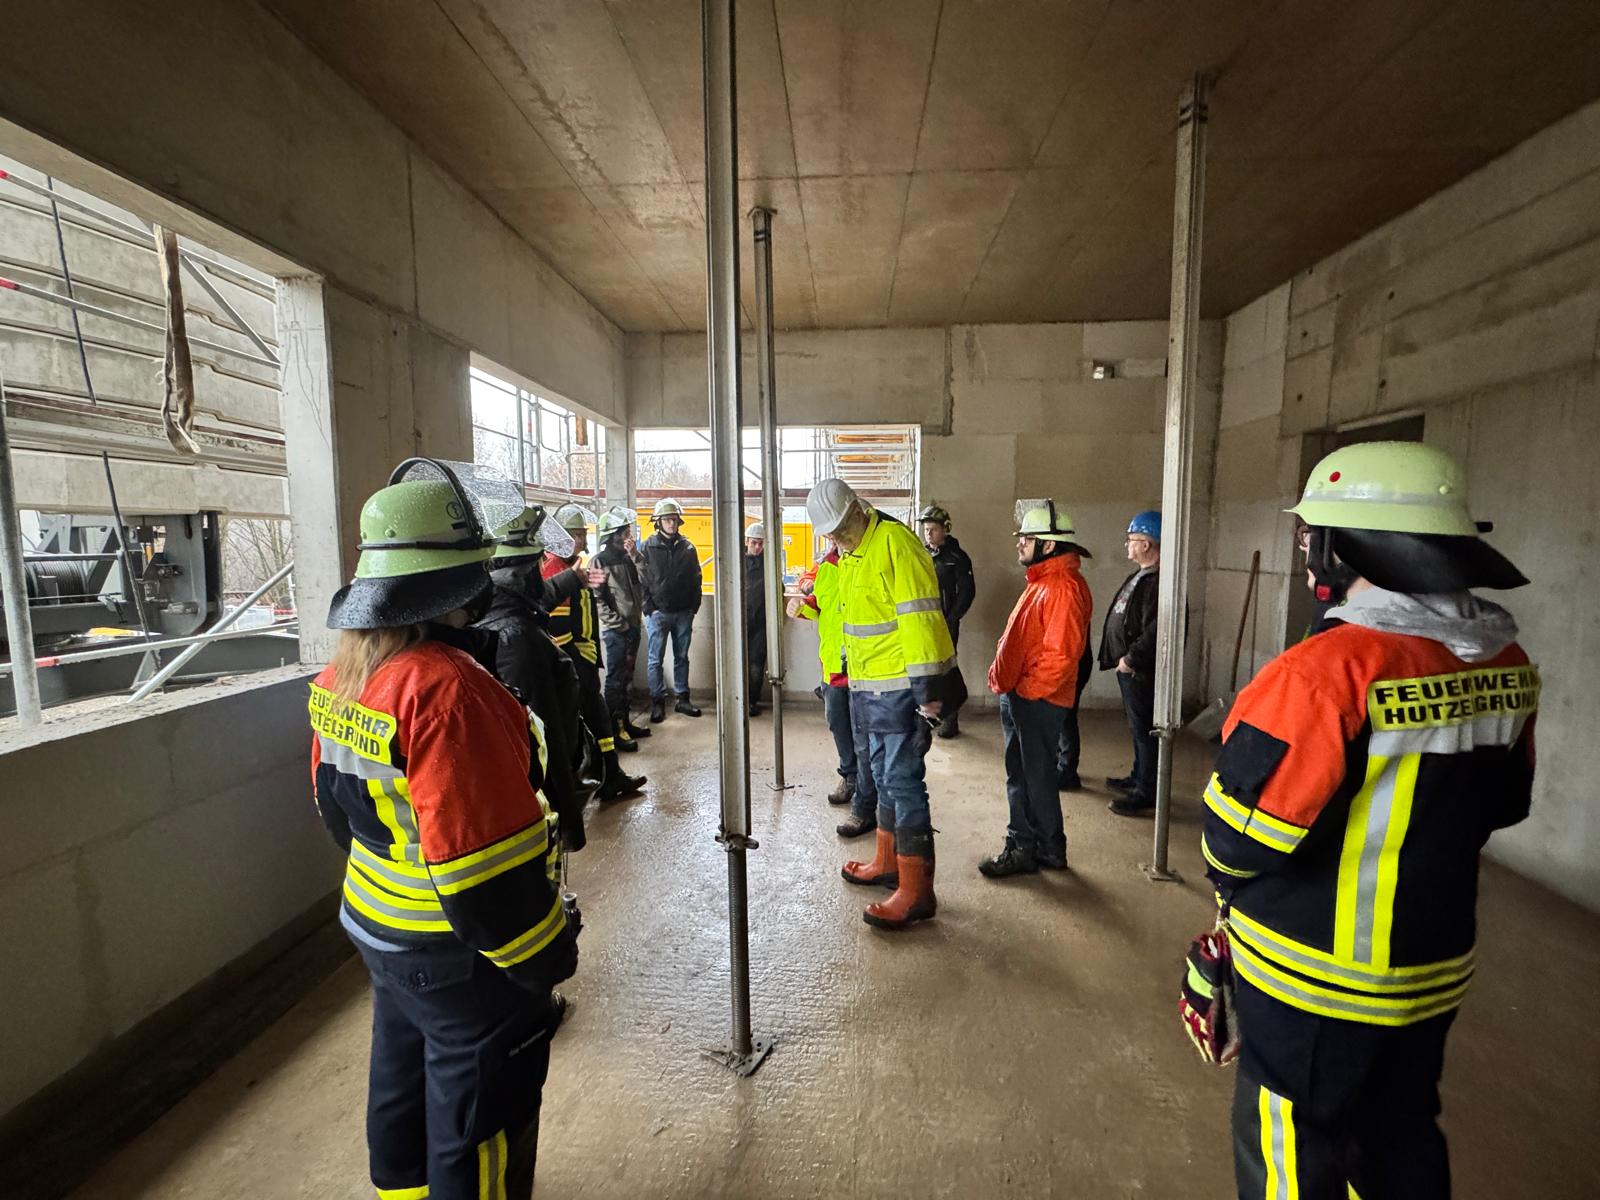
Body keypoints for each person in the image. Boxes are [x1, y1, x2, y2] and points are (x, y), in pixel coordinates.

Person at [1201, 441, 1537, 1200]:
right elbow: (1503, 804)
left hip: (1315, 976)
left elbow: (1238, 839)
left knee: (1293, 1134)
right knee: (1401, 1129)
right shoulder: (1506, 660)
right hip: (1435, 962)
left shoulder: (1323, 673)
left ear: (1340, 545)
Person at [310, 468, 578, 1198]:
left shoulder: (347, 674)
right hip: (458, 950)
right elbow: (482, 874)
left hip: (377, 924)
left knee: (402, 1084)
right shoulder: (446, 690)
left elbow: (336, 813)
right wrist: (545, 950)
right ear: (460, 578)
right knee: (480, 1117)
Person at [811, 479, 961, 931]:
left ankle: (917, 891)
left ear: (859, 508)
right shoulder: (854, 553)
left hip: (900, 691)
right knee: (879, 775)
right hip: (867, 689)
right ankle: (888, 862)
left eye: (841, 528)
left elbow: (922, 622)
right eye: (831, 534)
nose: (838, 539)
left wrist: (928, 695)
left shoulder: (895, 543)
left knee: (902, 781)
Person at [979, 500, 1093, 877]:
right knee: (1035, 775)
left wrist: (1026, 693)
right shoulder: (1046, 581)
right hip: (1027, 696)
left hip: (1036, 699)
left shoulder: (1061, 587)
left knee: (1026, 776)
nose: (1019, 544)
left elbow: (1061, 657)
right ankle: (1049, 848)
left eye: (1027, 538)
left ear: (1049, 545)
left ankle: (1023, 847)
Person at [474, 503, 588, 850]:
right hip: (535, 805)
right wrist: (570, 823)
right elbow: (545, 736)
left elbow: (537, 597)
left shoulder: (490, 611)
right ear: (524, 571)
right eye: (539, 564)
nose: (544, 571)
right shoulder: (519, 640)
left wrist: (572, 578)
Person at [544, 503, 646, 801]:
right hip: (575, 661)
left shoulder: (576, 569)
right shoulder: (555, 570)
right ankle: (603, 776)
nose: (583, 540)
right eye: (576, 534)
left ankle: (609, 774)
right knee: (593, 716)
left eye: (583, 534)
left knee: (596, 718)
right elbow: (560, 628)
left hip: (586, 656)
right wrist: (576, 660)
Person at [789, 537, 861, 810]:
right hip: (832, 666)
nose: (835, 537)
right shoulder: (827, 566)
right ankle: (850, 777)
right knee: (838, 723)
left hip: (863, 666)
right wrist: (801, 607)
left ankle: (868, 786)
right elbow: (820, 607)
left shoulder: (865, 561)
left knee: (863, 731)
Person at [1101, 509, 1161, 816]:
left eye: (1132, 539)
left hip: (1139, 669)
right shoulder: (1143, 576)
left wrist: (1131, 658)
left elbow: (1157, 629)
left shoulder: (1159, 582)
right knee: (1137, 728)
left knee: (1146, 729)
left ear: (1147, 545)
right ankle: (1139, 776)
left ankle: (1146, 791)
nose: (1127, 545)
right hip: (1128, 667)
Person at [593, 505, 652, 752]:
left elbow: (648, 580)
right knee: (616, 680)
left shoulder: (629, 558)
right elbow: (597, 600)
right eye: (624, 532)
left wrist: (637, 556)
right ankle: (614, 729)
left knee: (627, 678)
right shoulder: (599, 561)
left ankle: (626, 723)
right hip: (616, 632)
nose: (628, 536)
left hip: (633, 628)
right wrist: (622, 625)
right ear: (612, 534)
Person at [639, 497, 703, 722]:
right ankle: (657, 702)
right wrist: (649, 608)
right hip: (658, 613)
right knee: (655, 659)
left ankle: (682, 699)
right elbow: (641, 580)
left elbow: (697, 578)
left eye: (675, 519)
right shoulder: (647, 547)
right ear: (658, 522)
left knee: (682, 657)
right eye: (667, 519)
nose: (672, 524)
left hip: (683, 612)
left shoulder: (688, 547)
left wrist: (693, 606)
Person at [919, 503, 976, 738]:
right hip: (924, 623)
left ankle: (949, 718)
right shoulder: (922, 555)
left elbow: (967, 592)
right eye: (926, 530)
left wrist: (951, 619)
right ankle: (928, 714)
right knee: (926, 668)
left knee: (946, 670)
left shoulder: (957, 558)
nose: (928, 534)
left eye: (933, 529)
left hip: (946, 623)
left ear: (945, 530)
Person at [744, 520, 768, 716]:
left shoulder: (769, 564)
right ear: (746, 541)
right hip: (740, 622)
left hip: (761, 623)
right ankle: (738, 700)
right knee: (737, 662)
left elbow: (778, 588)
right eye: (754, 543)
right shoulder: (737, 563)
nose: (757, 547)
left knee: (756, 665)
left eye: (761, 543)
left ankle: (752, 701)